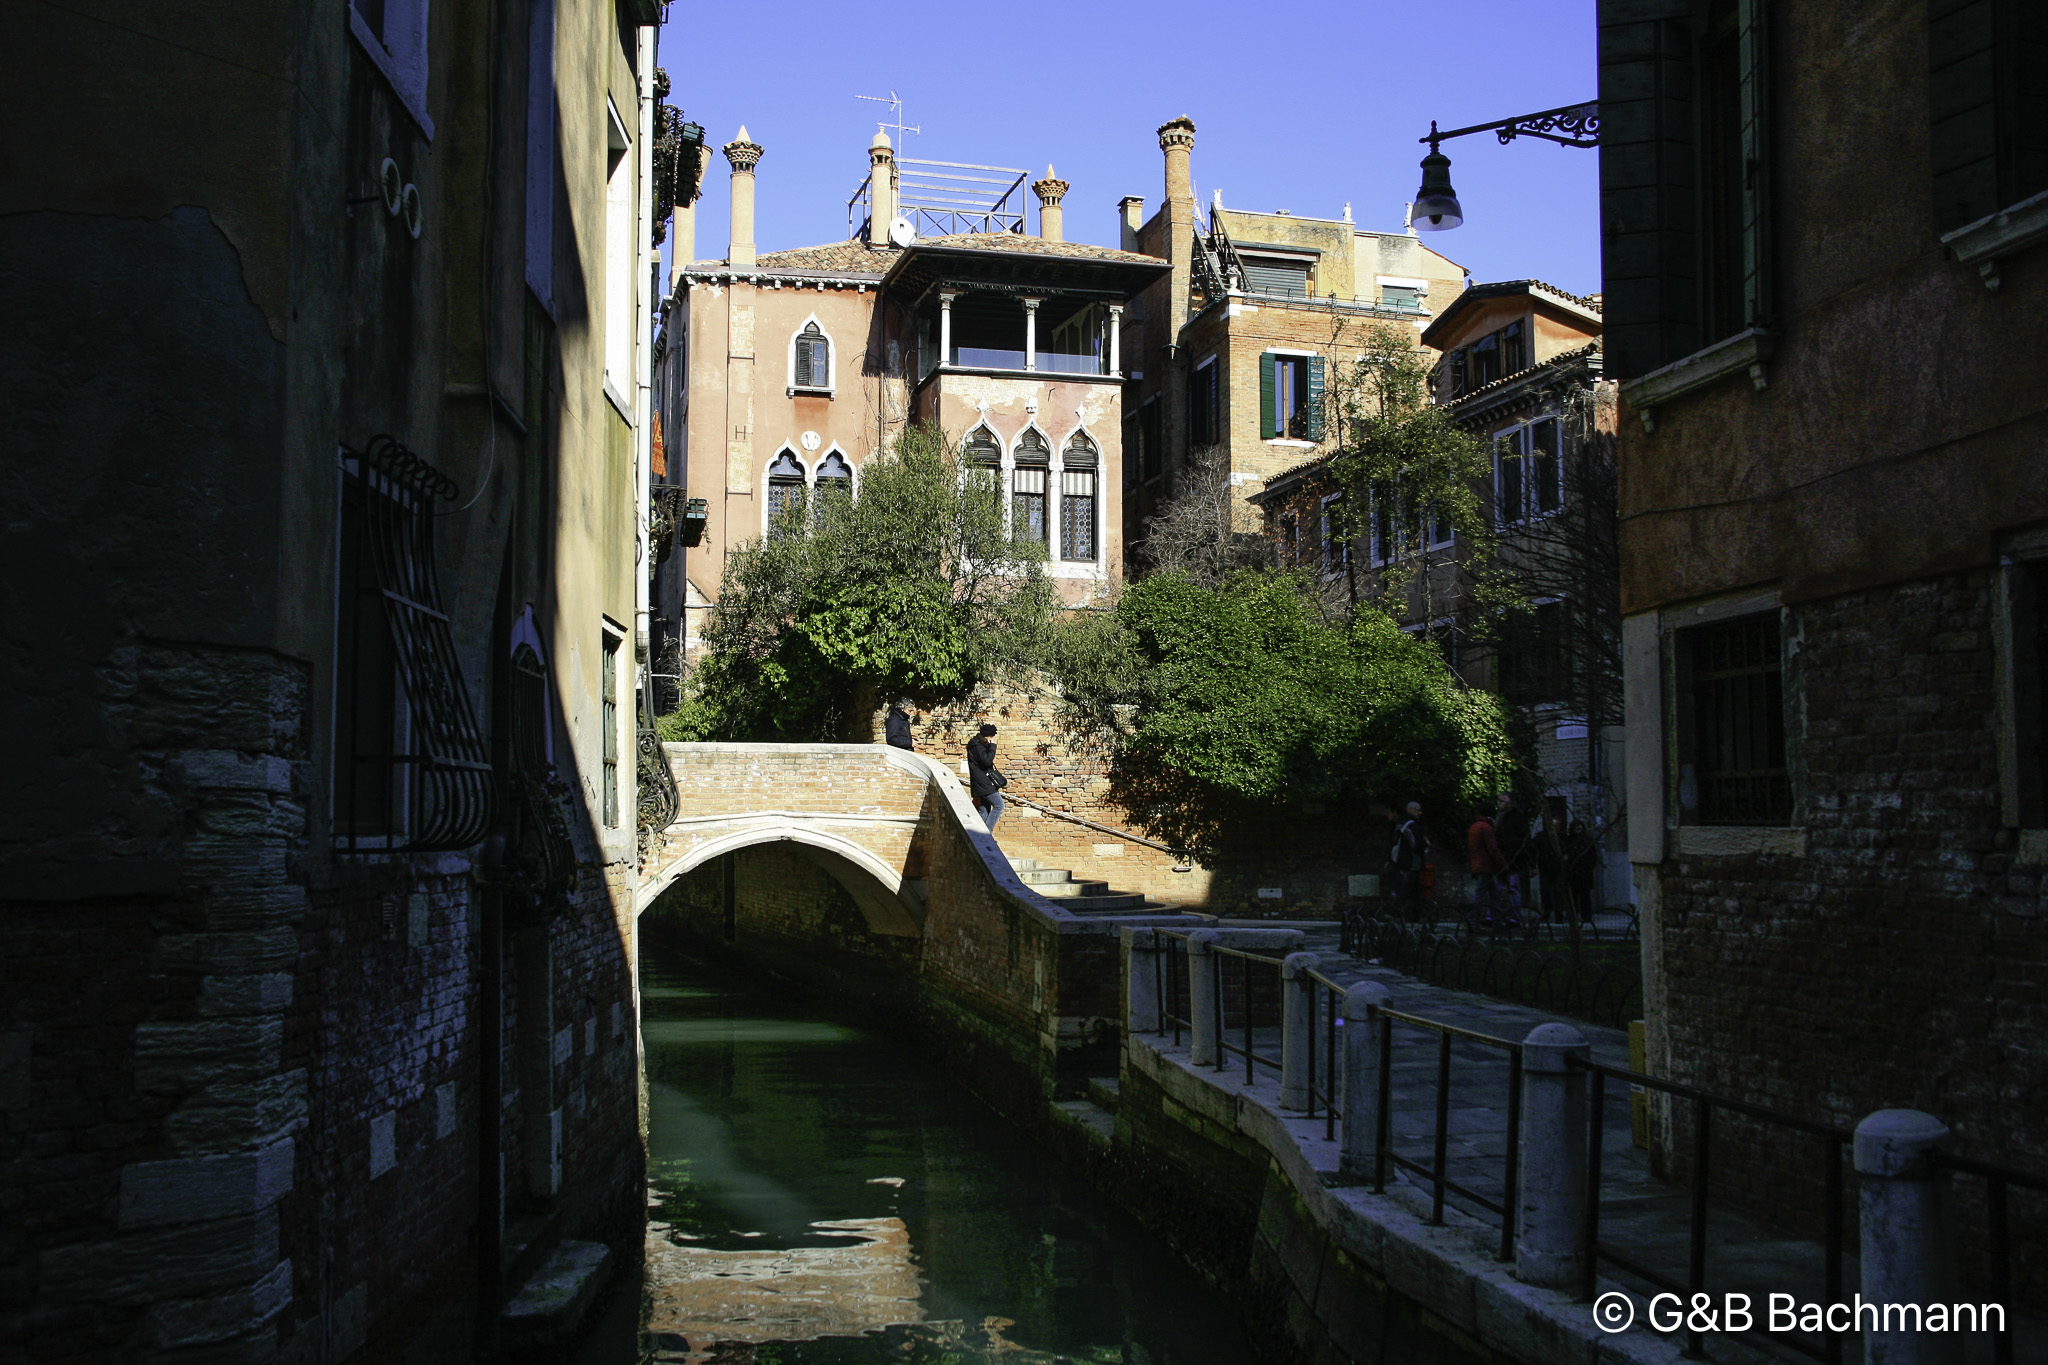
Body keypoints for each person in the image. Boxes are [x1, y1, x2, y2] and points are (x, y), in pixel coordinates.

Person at [1467, 801, 1511, 927]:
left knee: (1494, 894)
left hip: (1478, 865)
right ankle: (1472, 921)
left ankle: (1496, 921)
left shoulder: (1474, 826)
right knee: (1480, 895)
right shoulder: (1486, 827)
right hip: (1486, 866)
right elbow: (1493, 849)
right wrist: (1503, 864)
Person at [1390, 800, 1429, 921]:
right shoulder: (1412, 825)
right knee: (1407, 888)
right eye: (1418, 810)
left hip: (1405, 861)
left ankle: (1415, 914)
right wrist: (1425, 844)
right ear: (1411, 810)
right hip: (1412, 862)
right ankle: (1396, 912)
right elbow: (1416, 844)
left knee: (1415, 889)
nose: (1419, 813)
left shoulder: (1401, 823)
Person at [966, 723, 1007, 834]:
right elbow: (987, 761)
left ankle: (977, 834)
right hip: (983, 782)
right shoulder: (977, 746)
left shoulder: (977, 745)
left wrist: (989, 747)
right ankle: (986, 833)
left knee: (984, 810)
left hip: (980, 783)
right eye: (991, 736)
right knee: (999, 805)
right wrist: (992, 747)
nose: (992, 739)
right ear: (987, 736)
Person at [1566, 819, 1599, 923]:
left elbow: (1592, 857)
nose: (1578, 830)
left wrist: (1587, 869)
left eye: (1579, 827)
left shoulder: (1587, 841)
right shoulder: (1569, 841)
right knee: (1574, 896)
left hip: (1584, 873)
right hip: (1573, 873)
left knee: (1585, 896)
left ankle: (1586, 916)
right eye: (1576, 828)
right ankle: (1574, 915)